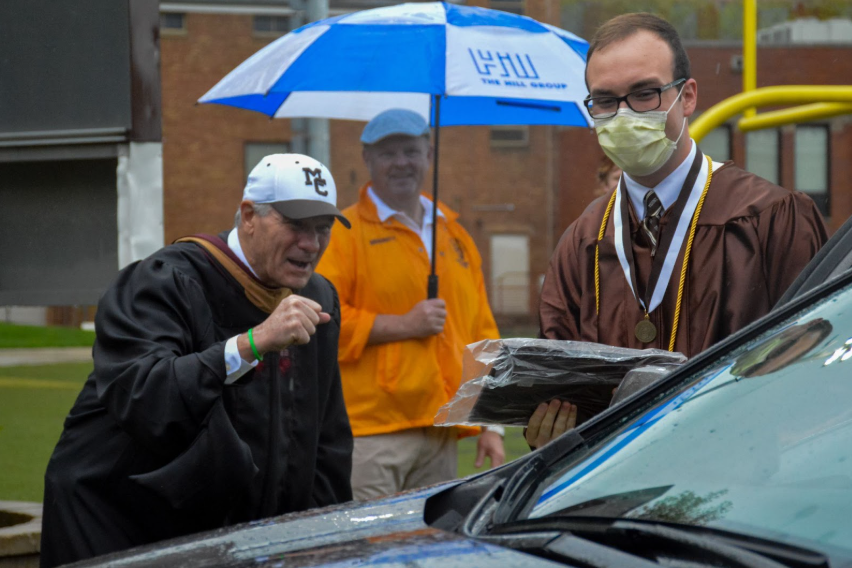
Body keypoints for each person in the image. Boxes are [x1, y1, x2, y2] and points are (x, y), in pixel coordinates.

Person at [529, 13, 828, 448]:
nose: (624, 114)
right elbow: (557, 380)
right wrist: (551, 432)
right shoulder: (583, 242)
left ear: (687, 97)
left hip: (739, 483)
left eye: (644, 93)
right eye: (605, 101)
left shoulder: (771, 219)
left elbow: (814, 376)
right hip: (610, 494)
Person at [40, 154, 354, 566]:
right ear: (248, 216)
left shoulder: (318, 298)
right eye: (296, 225)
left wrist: (322, 537)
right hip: (113, 519)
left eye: (322, 228)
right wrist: (252, 344)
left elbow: (324, 438)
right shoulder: (163, 280)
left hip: (225, 531)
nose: (311, 244)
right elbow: (144, 395)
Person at [317, 109, 505, 500]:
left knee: (431, 554)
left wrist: (492, 424)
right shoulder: (343, 236)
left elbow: (482, 332)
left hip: (441, 432)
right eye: (388, 153)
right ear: (367, 160)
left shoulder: (455, 236)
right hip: (371, 437)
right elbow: (321, 323)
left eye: (411, 151)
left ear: (429, 156)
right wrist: (403, 324)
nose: (401, 162)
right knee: (371, 554)